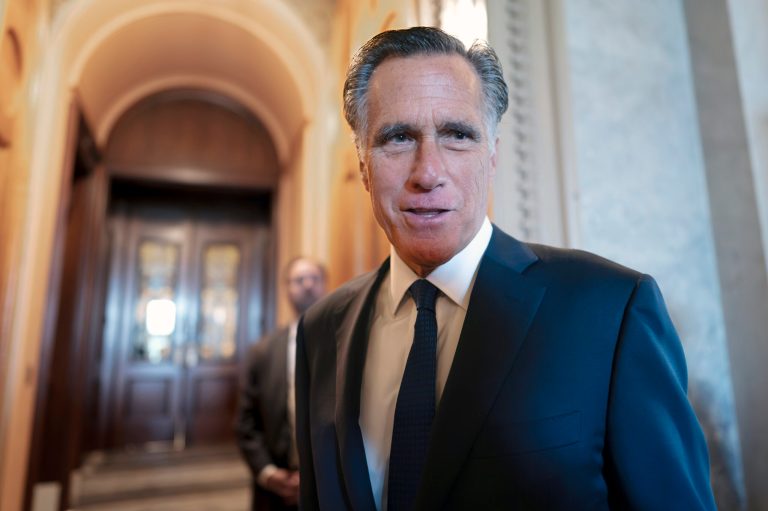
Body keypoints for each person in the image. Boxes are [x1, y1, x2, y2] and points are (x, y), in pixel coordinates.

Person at [295, 26, 716, 510]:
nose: (428, 172)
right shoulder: (321, 330)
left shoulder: (612, 310)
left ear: (492, 155)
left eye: (457, 135)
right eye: (397, 137)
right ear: (363, 164)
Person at [236, 257, 326, 511]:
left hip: (330, 485)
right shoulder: (262, 352)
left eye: (315, 278)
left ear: (325, 286)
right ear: (286, 288)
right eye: (299, 280)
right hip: (275, 487)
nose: (308, 284)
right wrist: (267, 473)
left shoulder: (344, 344)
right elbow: (246, 422)